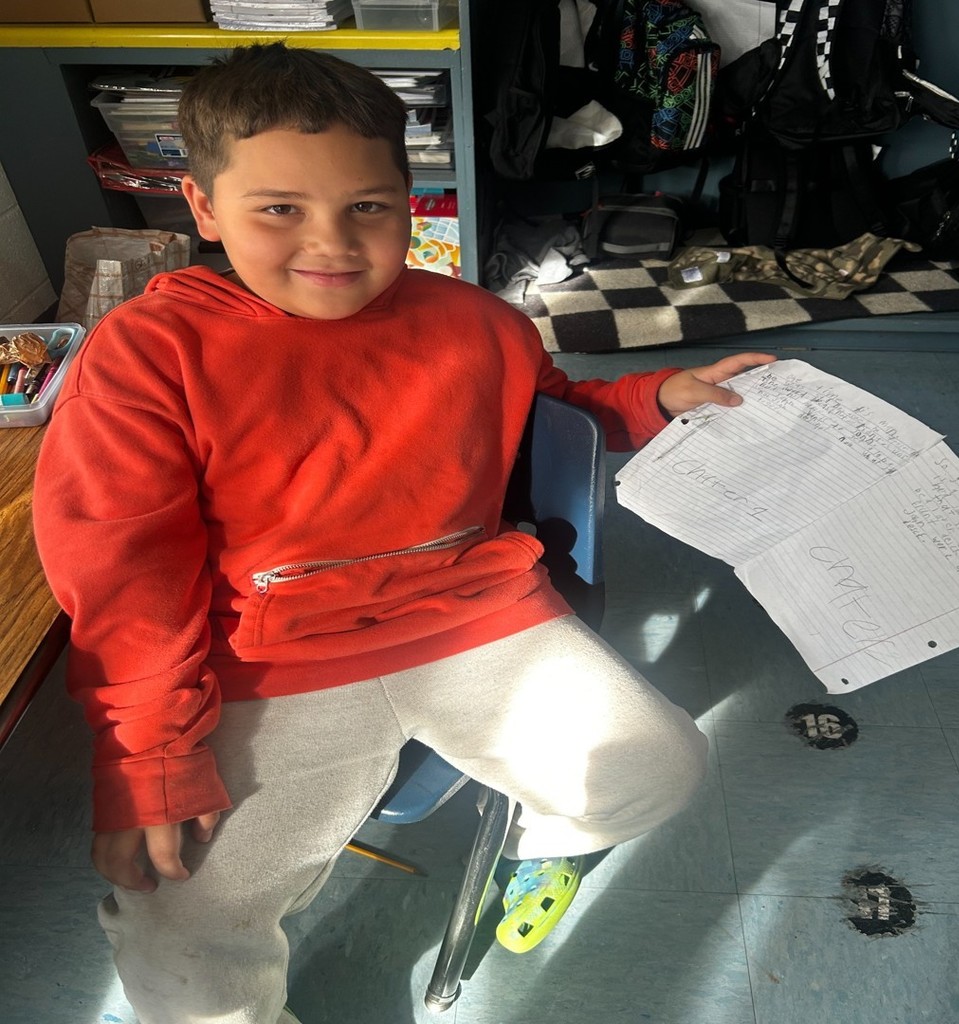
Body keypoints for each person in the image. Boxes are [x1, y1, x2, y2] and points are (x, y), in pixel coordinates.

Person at [33, 42, 775, 1024]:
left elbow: (547, 412)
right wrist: (150, 755)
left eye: (368, 208)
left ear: (407, 200)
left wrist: (653, 397)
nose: (332, 243)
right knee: (178, 930)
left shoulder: (480, 323)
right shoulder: (149, 353)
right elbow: (126, 570)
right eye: (279, 209)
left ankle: (535, 845)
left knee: (662, 768)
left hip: (475, 617)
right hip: (272, 655)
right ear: (202, 207)